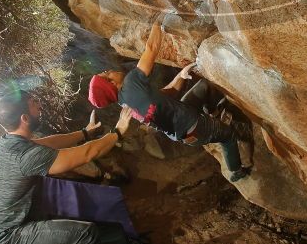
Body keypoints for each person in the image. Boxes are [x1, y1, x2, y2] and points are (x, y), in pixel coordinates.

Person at [0, 90, 132, 244]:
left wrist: (85, 133)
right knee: (85, 235)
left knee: (60, 224)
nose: (39, 106)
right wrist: (118, 132)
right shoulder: (26, 156)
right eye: (34, 104)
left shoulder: (4, 143)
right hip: (6, 243)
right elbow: (87, 153)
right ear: (24, 118)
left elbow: (49, 142)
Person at [88, 21, 252, 182]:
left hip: (183, 121)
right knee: (228, 137)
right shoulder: (131, 83)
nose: (109, 70)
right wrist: (157, 21)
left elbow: (165, 95)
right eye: (106, 73)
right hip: (196, 126)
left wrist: (181, 75)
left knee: (204, 86)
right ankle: (236, 171)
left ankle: (213, 113)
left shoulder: (126, 102)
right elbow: (151, 48)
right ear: (111, 85)